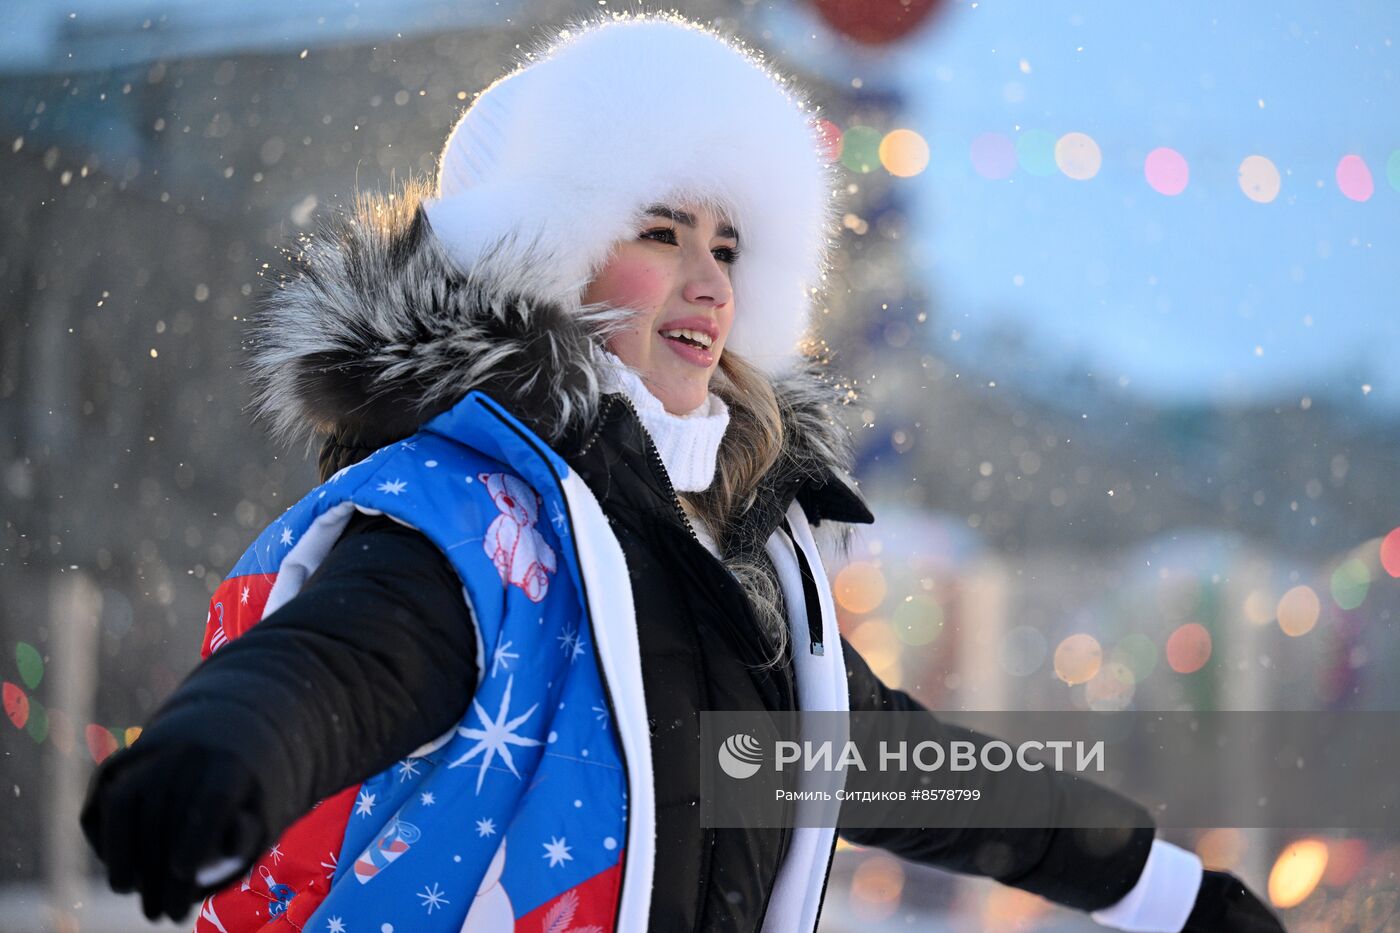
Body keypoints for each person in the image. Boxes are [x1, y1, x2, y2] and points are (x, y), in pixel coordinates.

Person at [80, 12, 1286, 932]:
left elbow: (910, 770)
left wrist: (1157, 887)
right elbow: (339, 663)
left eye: (729, 244)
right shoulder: (467, 521)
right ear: (541, 248)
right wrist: (217, 755)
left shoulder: (735, 558)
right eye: (660, 232)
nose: (708, 280)